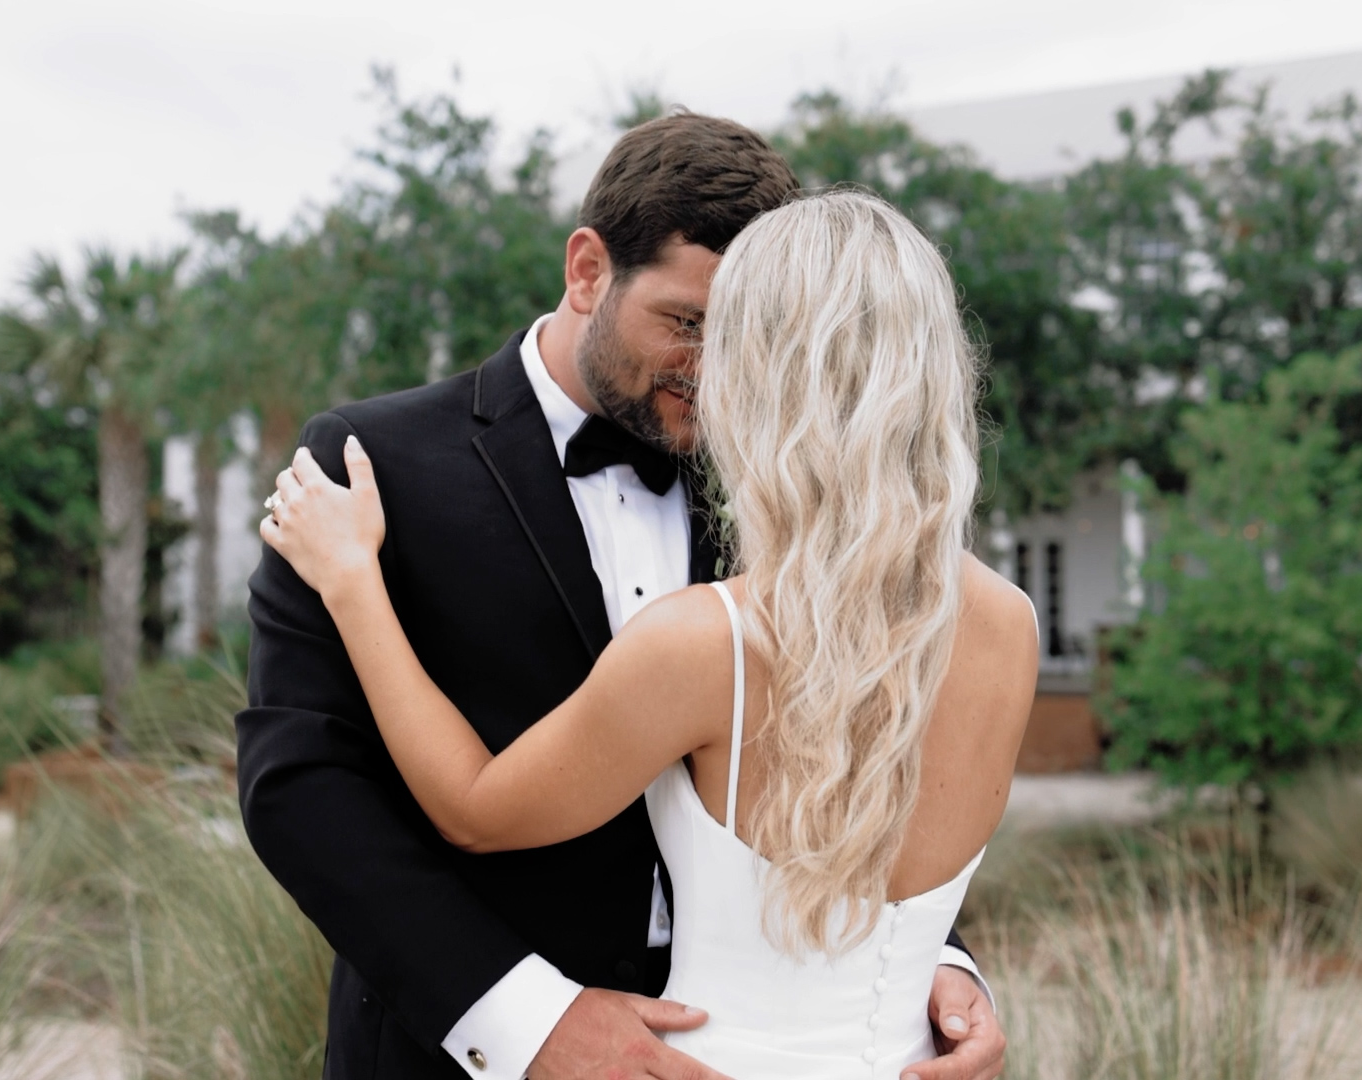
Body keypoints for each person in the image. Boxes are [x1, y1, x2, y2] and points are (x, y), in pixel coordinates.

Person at [236, 116, 1013, 1080]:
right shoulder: (369, 465)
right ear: (588, 269)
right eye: (686, 324)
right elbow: (300, 791)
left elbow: (872, 743)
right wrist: (526, 1017)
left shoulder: (782, 490)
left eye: (743, 336)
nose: (713, 369)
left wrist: (935, 960)